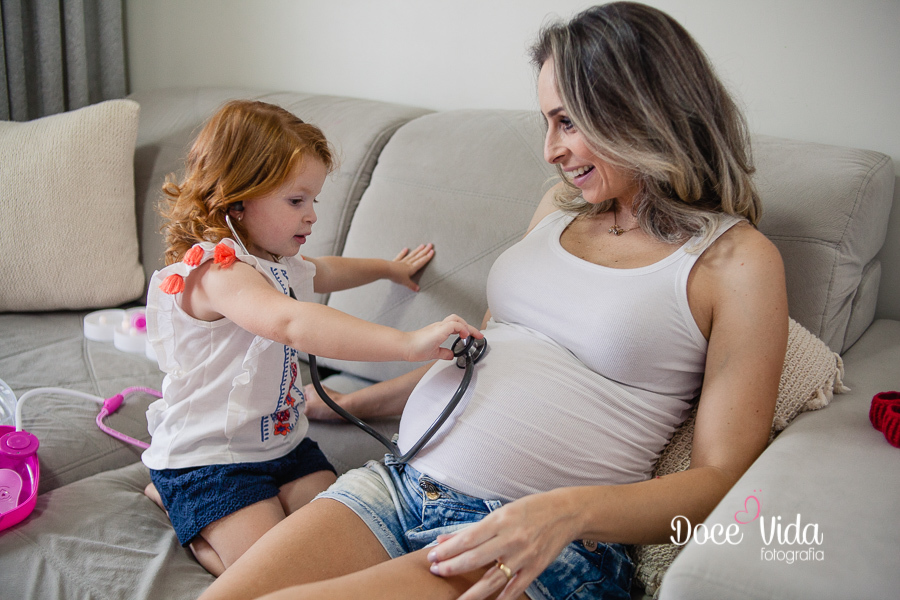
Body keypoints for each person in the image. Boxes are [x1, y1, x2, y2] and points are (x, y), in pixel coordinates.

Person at [200, 3, 788, 599]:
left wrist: (567, 513)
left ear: (638, 109)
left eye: (567, 122)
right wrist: (356, 401)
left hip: (538, 542)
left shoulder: (737, 261)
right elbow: (481, 353)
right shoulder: (560, 207)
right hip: (401, 486)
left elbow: (722, 479)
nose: (550, 150)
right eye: (547, 123)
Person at [141, 99, 482, 577]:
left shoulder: (278, 262)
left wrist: (389, 268)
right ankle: (178, 500)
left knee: (337, 547)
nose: (312, 217)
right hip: (212, 460)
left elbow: (327, 273)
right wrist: (408, 344)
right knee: (269, 573)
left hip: (285, 445)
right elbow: (291, 322)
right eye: (296, 201)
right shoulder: (218, 271)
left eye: (314, 201)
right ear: (238, 197)